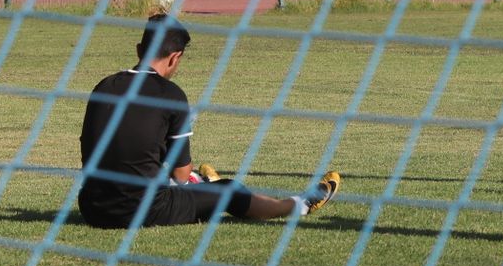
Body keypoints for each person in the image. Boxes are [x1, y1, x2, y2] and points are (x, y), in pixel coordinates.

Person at [78, 14, 340, 229]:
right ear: (175, 57)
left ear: (139, 50)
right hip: (143, 211)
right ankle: (299, 204)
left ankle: (203, 184)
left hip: (92, 208)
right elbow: (179, 174)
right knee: (228, 190)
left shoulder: (104, 86)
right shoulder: (170, 95)